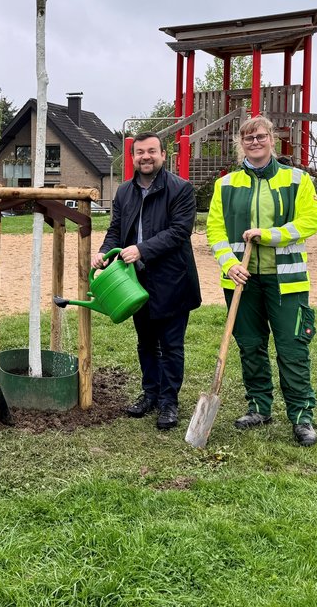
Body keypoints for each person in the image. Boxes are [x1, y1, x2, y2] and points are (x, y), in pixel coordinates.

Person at [205, 115, 317, 447]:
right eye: (248, 138)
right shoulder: (226, 185)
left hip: (287, 280)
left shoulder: (297, 180)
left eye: (260, 136)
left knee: (292, 348)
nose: (254, 142)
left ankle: (301, 416)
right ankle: (258, 407)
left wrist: (269, 235)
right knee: (250, 345)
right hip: (242, 281)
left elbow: (310, 221)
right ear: (240, 144)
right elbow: (215, 230)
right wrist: (229, 264)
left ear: (272, 139)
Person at [96, 132, 202, 430]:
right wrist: (105, 252)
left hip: (172, 279)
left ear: (163, 155)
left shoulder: (180, 189)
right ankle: (151, 394)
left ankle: (169, 402)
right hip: (136, 281)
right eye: (140, 152)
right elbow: (116, 229)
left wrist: (142, 249)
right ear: (132, 158)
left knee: (171, 345)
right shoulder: (124, 192)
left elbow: (179, 232)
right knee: (145, 343)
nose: (146, 157)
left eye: (152, 151)